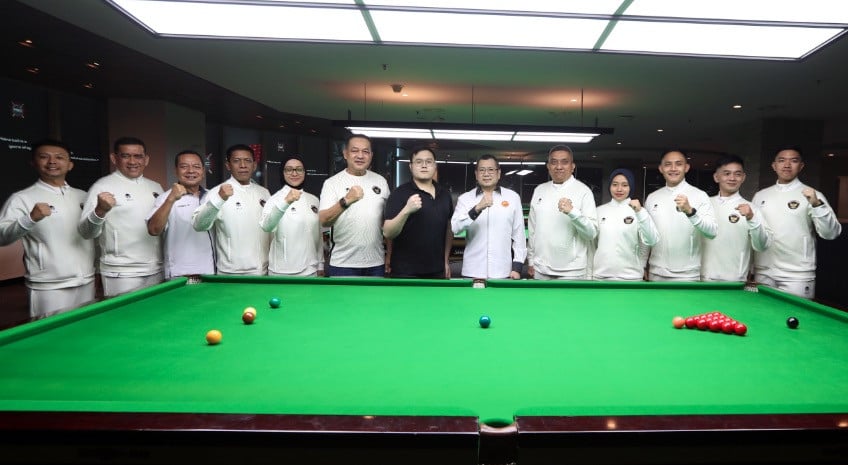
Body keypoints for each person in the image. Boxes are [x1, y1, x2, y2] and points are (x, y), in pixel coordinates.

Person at [0, 139, 96, 317]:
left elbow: (93, 233)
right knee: (53, 333)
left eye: (59, 157)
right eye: (44, 157)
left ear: (70, 165)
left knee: (85, 329)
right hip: (48, 286)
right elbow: (2, 237)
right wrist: (30, 218)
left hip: (86, 280)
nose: (52, 161)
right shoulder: (21, 198)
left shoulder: (83, 196)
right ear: (34, 163)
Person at [752, 147, 842, 298]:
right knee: (761, 312)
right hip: (763, 272)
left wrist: (816, 204)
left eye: (793, 161)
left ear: (801, 166)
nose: (787, 165)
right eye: (782, 160)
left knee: (794, 313)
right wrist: (751, 268)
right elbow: (754, 232)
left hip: (797, 275)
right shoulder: (760, 195)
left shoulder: (813, 195)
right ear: (774, 166)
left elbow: (831, 233)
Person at [79, 136, 163, 297]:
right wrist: (100, 211)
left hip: (156, 268)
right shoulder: (102, 186)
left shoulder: (155, 187)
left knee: (156, 311)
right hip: (121, 272)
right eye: (125, 156)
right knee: (126, 313)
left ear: (146, 160)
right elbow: (86, 232)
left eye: (138, 156)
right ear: (114, 158)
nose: (132, 161)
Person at [192, 144, 271, 275]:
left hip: (263, 270)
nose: (243, 165)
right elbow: (199, 225)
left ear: (254, 165)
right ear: (228, 165)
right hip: (231, 272)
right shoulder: (217, 192)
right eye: (236, 161)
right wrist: (219, 199)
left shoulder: (264, 193)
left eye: (247, 161)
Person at [318, 134, 389, 277]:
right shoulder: (332, 183)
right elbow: (324, 220)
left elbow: (388, 221)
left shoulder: (381, 181)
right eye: (355, 151)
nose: (360, 156)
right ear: (345, 154)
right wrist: (346, 201)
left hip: (376, 263)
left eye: (365, 151)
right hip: (343, 264)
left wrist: (389, 256)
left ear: (371, 155)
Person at [527, 145, 598, 280]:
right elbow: (532, 229)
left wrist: (573, 212)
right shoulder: (539, 190)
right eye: (554, 162)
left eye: (564, 162)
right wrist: (531, 260)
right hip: (541, 268)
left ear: (572, 166)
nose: (559, 167)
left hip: (572, 271)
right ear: (548, 166)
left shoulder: (584, 191)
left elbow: (591, 233)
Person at [644, 150, 717, 281]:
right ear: (661, 168)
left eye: (678, 164)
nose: (673, 168)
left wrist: (691, 212)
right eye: (668, 164)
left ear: (686, 167)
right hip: (656, 272)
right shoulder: (652, 198)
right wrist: (643, 266)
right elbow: (646, 235)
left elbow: (712, 232)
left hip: (688, 275)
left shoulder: (700, 195)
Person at [382, 147, 454, 278]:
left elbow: (448, 228)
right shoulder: (399, 193)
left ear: (435, 166)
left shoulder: (445, 194)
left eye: (429, 162)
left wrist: (445, 260)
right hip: (405, 272)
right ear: (411, 166)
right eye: (419, 162)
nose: (424, 165)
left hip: (437, 271)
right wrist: (406, 210)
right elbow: (388, 232)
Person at [451, 154, 526, 279]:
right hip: (472, 272)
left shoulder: (513, 197)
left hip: (503, 272)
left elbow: (519, 235)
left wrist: (517, 268)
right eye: (482, 170)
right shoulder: (465, 199)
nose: (486, 174)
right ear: (476, 174)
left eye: (491, 169)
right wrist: (476, 209)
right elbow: (455, 228)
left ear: (498, 173)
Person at [701, 155, 771, 282]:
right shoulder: (704, 205)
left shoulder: (752, 209)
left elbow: (762, 246)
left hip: (735, 280)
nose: (732, 178)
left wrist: (751, 218)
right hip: (702, 278)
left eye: (737, 174)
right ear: (716, 177)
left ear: (743, 177)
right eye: (727, 173)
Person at [146, 150, 215, 280]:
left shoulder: (212, 196)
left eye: (196, 167)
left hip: (211, 272)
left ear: (203, 171)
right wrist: (171, 199)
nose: (191, 171)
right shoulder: (165, 198)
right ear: (176, 171)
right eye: (184, 166)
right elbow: (153, 230)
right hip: (181, 274)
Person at [259, 154, 323, 276]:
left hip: (311, 270)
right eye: (289, 169)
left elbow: (318, 234)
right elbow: (266, 226)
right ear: (282, 173)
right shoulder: (274, 199)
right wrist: (286, 202)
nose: (294, 173)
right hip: (281, 271)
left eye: (299, 169)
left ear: (304, 172)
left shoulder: (313, 200)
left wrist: (320, 264)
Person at [593, 168, 659, 281]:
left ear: (630, 187)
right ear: (610, 186)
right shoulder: (599, 211)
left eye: (624, 185)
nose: (619, 189)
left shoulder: (639, 211)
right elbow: (593, 244)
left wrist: (642, 265)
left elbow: (651, 240)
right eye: (615, 184)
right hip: (600, 276)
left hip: (631, 277)